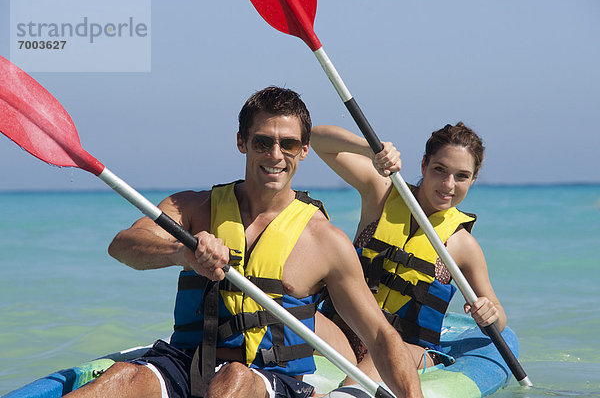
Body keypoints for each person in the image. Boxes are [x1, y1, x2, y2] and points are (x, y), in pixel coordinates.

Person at [65, 87, 423, 398]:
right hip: (184, 364)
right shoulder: (194, 208)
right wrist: (183, 252)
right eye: (263, 142)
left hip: (268, 381)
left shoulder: (325, 240)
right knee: (123, 376)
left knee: (233, 379)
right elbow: (124, 246)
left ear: (304, 150)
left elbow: (380, 337)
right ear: (242, 143)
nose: (275, 155)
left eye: (289, 144)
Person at [311, 123, 507, 378]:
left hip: (410, 349)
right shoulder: (380, 193)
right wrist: (372, 150)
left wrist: (489, 312)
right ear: (424, 164)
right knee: (287, 312)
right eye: (440, 170)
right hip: (347, 334)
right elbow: (314, 139)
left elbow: (498, 317)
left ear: (473, 178)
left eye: (461, 176)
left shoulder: (463, 245)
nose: (448, 185)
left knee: (385, 354)